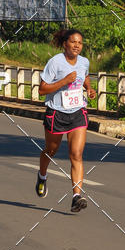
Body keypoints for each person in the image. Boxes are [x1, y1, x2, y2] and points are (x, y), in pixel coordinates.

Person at [36, 29, 96, 213]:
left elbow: (85, 76)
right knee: (51, 150)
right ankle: (42, 176)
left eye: (80, 42)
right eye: (73, 42)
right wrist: (64, 81)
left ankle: (76, 196)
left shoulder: (84, 62)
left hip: (78, 112)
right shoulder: (55, 62)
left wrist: (89, 88)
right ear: (65, 44)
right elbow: (42, 90)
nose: (77, 45)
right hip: (56, 113)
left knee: (76, 154)